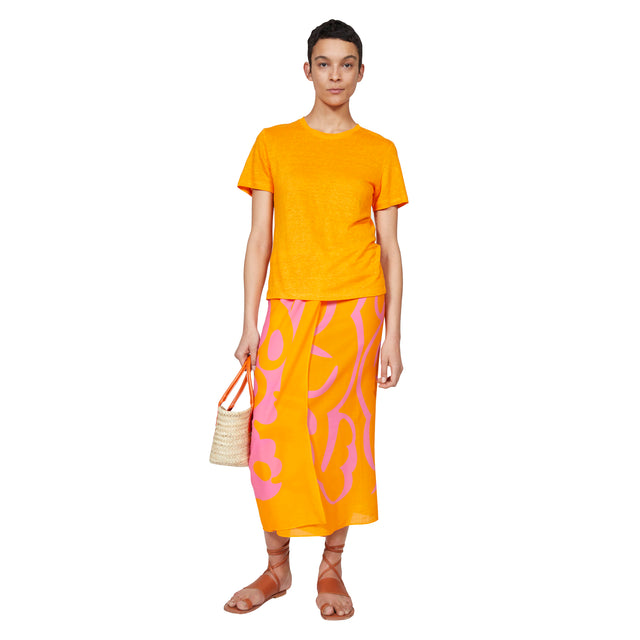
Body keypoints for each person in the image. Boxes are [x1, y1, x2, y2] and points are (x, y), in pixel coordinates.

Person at [224, 18, 408, 621]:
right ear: (307, 70)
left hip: (356, 312)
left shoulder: (380, 151)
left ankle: (331, 566)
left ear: (361, 72)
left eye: (346, 64)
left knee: (339, 439)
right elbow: (259, 240)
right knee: (272, 436)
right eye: (324, 63)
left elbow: (390, 250)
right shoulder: (273, 143)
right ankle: (277, 566)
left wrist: (394, 337)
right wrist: (249, 322)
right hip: (288, 307)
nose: (335, 75)